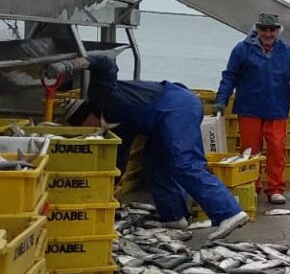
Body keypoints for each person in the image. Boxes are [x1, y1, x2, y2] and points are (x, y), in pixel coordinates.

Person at [49, 54, 249, 240]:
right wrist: (106, 189)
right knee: (154, 162)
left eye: (81, 128)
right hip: (162, 119)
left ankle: (229, 212)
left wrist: (75, 64)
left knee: (184, 162)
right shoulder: (116, 127)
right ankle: (174, 216)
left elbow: (106, 64)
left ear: (86, 117)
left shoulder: (102, 96)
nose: (87, 134)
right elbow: (119, 158)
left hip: (177, 106)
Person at [212, 13, 290, 204]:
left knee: (277, 148)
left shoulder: (287, 51)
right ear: (257, 29)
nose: (268, 34)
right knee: (250, 150)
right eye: (264, 29)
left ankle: (275, 189)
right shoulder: (242, 49)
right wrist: (221, 100)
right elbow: (229, 76)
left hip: (277, 109)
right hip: (249, 108)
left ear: (278, 31)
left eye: (272, 30)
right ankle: (251, 185)